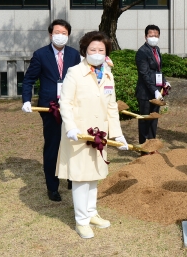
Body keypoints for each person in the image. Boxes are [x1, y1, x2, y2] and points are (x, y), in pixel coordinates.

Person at [57, 31, 129, 239]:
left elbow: (111, 107)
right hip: (79, 135)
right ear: (85, 51)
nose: (97, 53)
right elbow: (66, 103)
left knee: (95, 175)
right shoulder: (74, 72)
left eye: (101, 50)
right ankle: (81, 221)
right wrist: (70, 127)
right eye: (92, 50)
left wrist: (118, 135)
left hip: (100, 133)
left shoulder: (107, 75)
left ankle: (91, 213)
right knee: (81, 177)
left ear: (106, 53)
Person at [21, 19, 81, 202]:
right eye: (57, 32)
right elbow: (29, 79)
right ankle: (52, 187)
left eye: (64, 33)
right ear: (50, 34)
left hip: (72, 107)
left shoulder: (74, 55)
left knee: (73, 143)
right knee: (53, 146)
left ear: (68, 35)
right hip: (50, 108)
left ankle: (72, 178)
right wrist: (26, 100)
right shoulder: (40, 55)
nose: (60, 36)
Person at [135, 25, 170, 153]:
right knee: (145, 120)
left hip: (156, 91)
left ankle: (152, 146)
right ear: (145, 36)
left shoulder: (157, 50)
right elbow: (144, 74)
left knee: (154, 119)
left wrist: (164, 82)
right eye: (151, 35)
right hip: (145, 92)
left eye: (156, 35)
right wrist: (154, 90)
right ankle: (144, 148)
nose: (153, 38)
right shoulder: (142, 52)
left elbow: (157, 70)